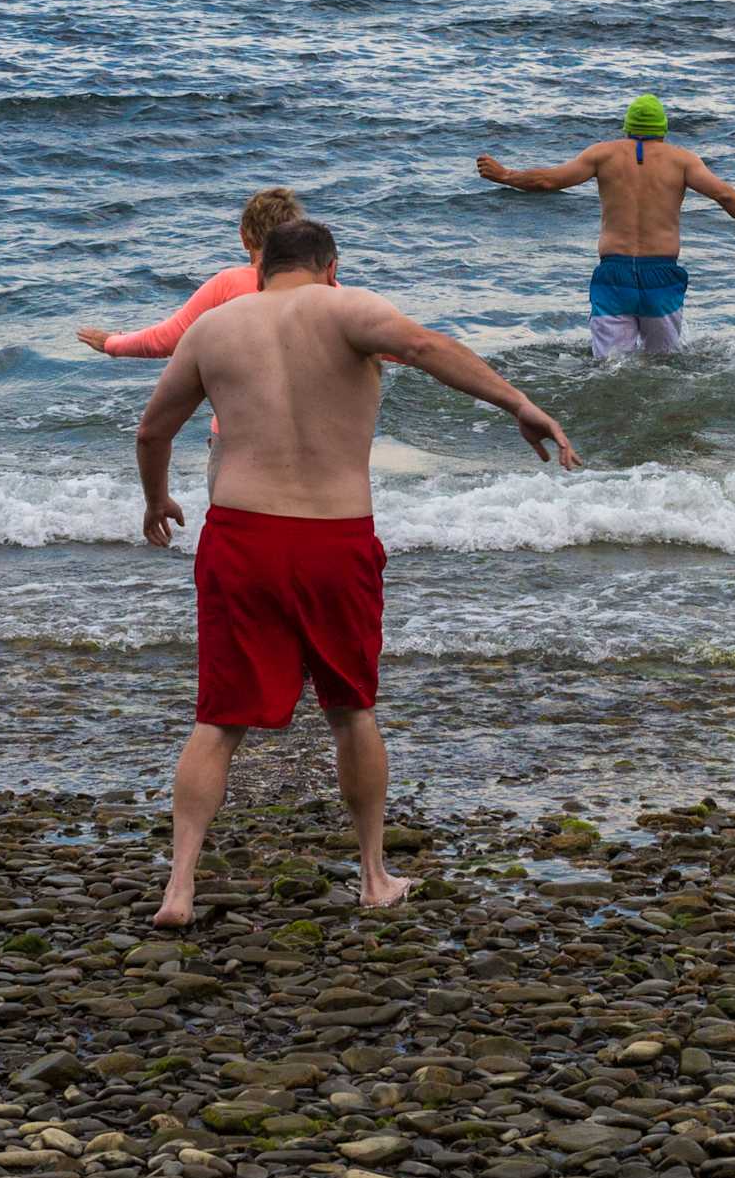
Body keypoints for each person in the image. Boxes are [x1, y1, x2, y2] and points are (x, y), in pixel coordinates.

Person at [134, 217, 576, 925]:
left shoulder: (213, 328)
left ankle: (179, 888)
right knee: (351, 710)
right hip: (333, 539)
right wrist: (518, 404)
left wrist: (157, 499)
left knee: (218, 718)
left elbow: (152, 429)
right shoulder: (348, 308)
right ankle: (372, 875)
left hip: (240, 536)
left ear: (261, 268)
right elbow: (427, 347)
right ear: (329, 266)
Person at [473, 93, 735, 356]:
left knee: (610, 367)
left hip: (614, 274)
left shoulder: (602, 155)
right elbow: (725, 195)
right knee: (664, 366)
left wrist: (505, 174)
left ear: (627, 128)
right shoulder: (683, 161)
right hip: (661, 275)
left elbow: (547, 181)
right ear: (663, 129)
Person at [78, 186, 305, 361]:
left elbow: (166, 341)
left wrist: (112, 343)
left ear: (244, 238)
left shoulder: (228, 284)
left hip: (240, 417)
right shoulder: (324, 287)